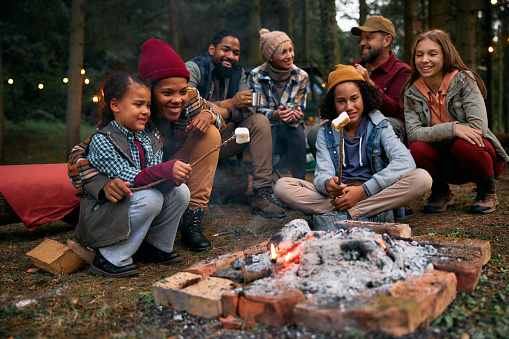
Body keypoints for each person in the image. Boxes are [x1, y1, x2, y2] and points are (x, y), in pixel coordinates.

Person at [69, 39, 225, 252]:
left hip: (175, 166)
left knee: (211, 134)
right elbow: (80, 154)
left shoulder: (189, 98)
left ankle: (193, 218)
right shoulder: (132, 113)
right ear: (150, 92)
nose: (177, 99)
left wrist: (208, 115)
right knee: (149, 197)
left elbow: (220, 120)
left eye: (182, 91)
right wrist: (102, 184)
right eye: (167, 93)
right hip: (142, 178)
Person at [274, 65, 432, 229]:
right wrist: (328, 184)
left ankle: (349, 213)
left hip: (374, 193)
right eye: (341, 101)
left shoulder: (379, 125)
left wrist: (363, 190)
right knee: (282, 186)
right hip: (338, 198)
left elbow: (405, 162)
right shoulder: (325, 132)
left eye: (354, 98)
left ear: (364, 97)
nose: (349, 107)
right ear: (333, 104)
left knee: (422, 178)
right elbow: (322, 174)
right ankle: (365, 212)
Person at [75, 71, 191, 278]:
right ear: (115, 105)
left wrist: (171, 178)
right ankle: (109, 257)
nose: (146, 111)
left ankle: (156, 245)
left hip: (132, 204)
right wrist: (164, 171)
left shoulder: (150, 136)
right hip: (104, 212)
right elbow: (130, 179)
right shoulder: (103, 139)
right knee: (150, 197)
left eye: (147, 105)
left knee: (180, 191)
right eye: (138, 105)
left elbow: (154, 180)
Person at [403, 29, 508, 214]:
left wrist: (455, 132)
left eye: (432, 54)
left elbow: (478, 128)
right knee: (416, 149)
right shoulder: (411, 92)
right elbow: (413, 132)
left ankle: (487, 190)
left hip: (480, 157)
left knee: (464, 144)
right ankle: (441, 191)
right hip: (443, 162)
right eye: (419, 55)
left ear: (445, 55)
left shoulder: (465, 80)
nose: (424, 60)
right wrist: (453, 128)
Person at [185, 29, 286, 218]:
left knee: (259, 121)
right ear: (212, 49)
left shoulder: (237, 73)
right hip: (194, 139)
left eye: (236, 53)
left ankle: (261, 193)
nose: (230, 56)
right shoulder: (194, 68)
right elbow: (188, 102)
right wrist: (230, 105)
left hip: (224, 137)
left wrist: (222, 111)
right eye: (225, 50)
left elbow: (247, 109)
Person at [307, 16, 410, 158]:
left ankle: (384, 178)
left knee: (391, 125)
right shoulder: (355, 65)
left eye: (369, 38)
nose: (362, 43)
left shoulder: (402, 71)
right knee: (316, 133)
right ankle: (335, 176)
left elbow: (393, 110)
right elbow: (341, 97)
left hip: (381, 126)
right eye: (361, 38)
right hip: (351, 124)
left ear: (387, 40)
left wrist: (369, 83)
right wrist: (332, 117)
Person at [249, 28, 309, 180]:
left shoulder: (301, 76)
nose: (290, 56)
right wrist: (275, 115)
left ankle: (299, 185)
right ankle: (264, 187)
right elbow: (256, 110)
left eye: (291, 50)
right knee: (267, 128)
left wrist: (297, 114)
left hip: (290, 132)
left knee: (296, 130)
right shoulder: (256, 75)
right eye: (283, 52)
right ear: (271, 57)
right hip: (267, 133)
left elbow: (300, 105)